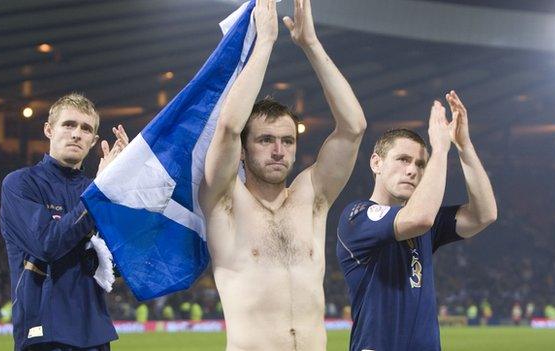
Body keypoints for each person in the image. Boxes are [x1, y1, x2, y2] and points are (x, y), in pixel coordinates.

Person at [199, 0, 366, 349]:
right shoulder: (224, 200)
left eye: (287, 141)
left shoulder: (312, 198)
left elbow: (353, 128)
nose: (278, 150)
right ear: (243, 151)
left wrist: (311, 45)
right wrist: (265, 43)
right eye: (265, 140)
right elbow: (229, 127)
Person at [336, 92, 497, 351]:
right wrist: (440, 150)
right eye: (403, 160)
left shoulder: (426, 222)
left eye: (421, 164)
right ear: (376, 163)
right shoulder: (356, 216)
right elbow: (419, 218)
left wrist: (463, 147)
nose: (413, 170)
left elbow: (484, 214)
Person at [0, 93, 129, 351]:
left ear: (93, 141)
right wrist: (100, 191)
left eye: (86, 129)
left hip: (96, 333)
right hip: (45, 334)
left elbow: (119, 263)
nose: (76, 134)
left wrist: (125, 180)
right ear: (49, 129)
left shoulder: (97, 189)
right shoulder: (20, 184)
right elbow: (47, 244)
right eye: (68, 124)